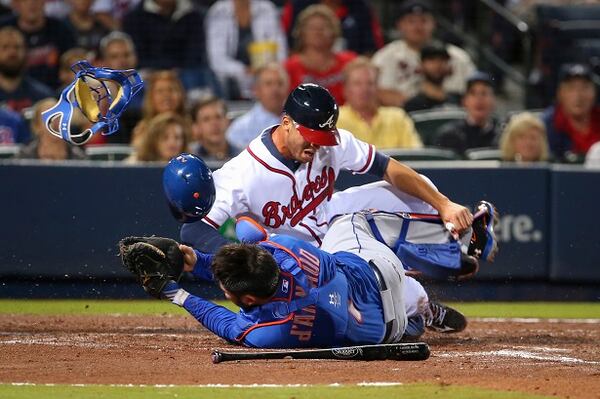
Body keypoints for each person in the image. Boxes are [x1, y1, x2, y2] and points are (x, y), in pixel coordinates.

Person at [175, 83, 497, 285]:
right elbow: (194, 231)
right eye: (311, 136)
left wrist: (444, 204)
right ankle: (420, 306)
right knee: (401, 294)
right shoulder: (243, 173)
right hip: (303, 256)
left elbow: (387, 167)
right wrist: (247, 260)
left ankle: (459, 244)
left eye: (322, 137)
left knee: (415, 187)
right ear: (286, 123)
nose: (317, 145)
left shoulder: (331, 143)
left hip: (335, 217)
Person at [146, 154, 469, 348]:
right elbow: (253, 253)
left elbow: (228, 325)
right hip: (382, 272)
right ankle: (447, 250)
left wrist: (177, 292)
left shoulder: (273, 332)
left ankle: (421, 309)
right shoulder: (286, 249)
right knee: (351, 221)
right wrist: (198, 262)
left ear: (247, 300)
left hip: (387, 331)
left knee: (352, 225)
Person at [372, 0, 475, 107]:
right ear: (399, 25)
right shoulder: (384, 57)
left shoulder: (458, 57)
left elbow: (476, 91)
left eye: (424, 21)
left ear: (434, 23)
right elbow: (377, 94)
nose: (418, 27)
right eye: (411, 21)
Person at [205, 0, 287, 100]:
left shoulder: (266, 8)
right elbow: (217, 59)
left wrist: (266, 69)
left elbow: (280, 51)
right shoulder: (219, 11)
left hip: (265, 72)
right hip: (230, 81)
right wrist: (244, 71)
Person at [337, 56, 422, 149]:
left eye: (370, 83)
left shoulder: (398, 117)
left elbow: (415, 155)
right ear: (345, 89)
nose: (365, 89)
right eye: (357, 83)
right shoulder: (334, 121)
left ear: (377, 88)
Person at [284, 4, 356, 105]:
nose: (318, 32)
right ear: (301, 32)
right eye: (312, 27)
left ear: (334, 32)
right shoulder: (289, 67)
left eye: (323, 27)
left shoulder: (349, 62)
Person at [0, 0, 76, 89]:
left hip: (55, 93)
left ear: (44, 2)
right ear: (16, 4)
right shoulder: (3, 27)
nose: (32, 4)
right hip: (10, 90)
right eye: (26, 1)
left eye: (36, 0)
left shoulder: (61, 29)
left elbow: (73, 63)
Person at [541, 63, 600, 162]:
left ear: (594, 92)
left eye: (585, 88)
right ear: (560, 93)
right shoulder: (545, 126)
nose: (578, 96)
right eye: (571, 88)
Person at [281, 0, 384, 55]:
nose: (318, 32)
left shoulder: (361, 7)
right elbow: (283, 45)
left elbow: (372, 51)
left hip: (348, 73)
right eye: (313, 27)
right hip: (303, 68)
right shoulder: (297, 5)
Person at [434, 72, 501, 157]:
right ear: (464, 101)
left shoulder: (503, 136)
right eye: (473, 93)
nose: (479, 99)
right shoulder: (448, 136)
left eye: (484, 93)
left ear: (493, 101)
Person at [226, 62, 288, 149]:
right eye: (269, 84)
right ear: (256, 90)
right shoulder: (240, 129)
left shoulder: (298, 122)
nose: (275, 89)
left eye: (280, 83)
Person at [97, 31, 141, 144]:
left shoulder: (147, 89)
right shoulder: (94, 90)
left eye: (126, 55)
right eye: (114, 56)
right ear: (104, 61)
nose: (122, 61)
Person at [0, 26, 53, 113]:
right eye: (5, 47)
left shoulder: (43, 97)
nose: (12, 52)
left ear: (25, 52)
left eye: (17, 47)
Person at [17, 97, 87, 160]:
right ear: (37, 126)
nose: (55, 121)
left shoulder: (79, 159)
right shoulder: (24, 159)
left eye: (59, 116)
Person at [131, 70, 187, 147]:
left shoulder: (194, 128)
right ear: (151, 98)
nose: (166, 95)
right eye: (160, 91)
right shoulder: (142, 130)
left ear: (181, 95)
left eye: (171, 90)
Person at [404, 41, 461, 113]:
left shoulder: (459, 100)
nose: (437, 64)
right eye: (431, 59)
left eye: (442, 59)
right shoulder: (412, 105)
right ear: (421, 65)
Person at [190, 96, 241, 162]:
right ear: (196, 127)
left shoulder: (243, 157)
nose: (214, 124)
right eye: (206, 119)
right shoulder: (189, 158)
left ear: (227, 121)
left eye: (218, 117)